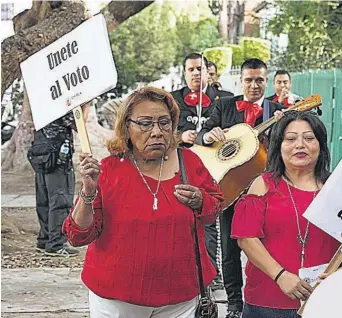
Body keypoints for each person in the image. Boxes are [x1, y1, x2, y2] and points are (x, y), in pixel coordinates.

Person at [62, 87, 224, 317]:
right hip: (117, 300)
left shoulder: (189, 161)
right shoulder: (108, 170)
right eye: (146, 123)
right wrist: (89, 192)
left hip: (181, 299)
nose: (157, 132)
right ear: (127, 128)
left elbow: (214, 209)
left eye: (164, 122)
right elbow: (78, 235)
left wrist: (200, 200)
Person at [232, 111, 342, 317]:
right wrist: (280, 276)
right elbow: (246, 238)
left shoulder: (338, 187)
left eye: (309, 138)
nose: (300, 145)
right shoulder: (263, 184)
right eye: (290, 139)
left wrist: (339, 277)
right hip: (267, 301)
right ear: (278, 146)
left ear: (320, 145)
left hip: (324, 301)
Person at [196, 58, 285, 318]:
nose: (254, 85)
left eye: (259, 80)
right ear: (241, 80)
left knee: (268, 247)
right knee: (230, 249)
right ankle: (234, 304)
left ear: (267, 81)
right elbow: (203, 134)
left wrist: (278, 128)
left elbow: (288, 147)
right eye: (249, 80)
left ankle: (266, 298)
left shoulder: (276, 110)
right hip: (230, 187)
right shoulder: (224, 106)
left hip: (265, 189)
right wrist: (209, 136)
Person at [171, 52, 233, 291]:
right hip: (182, 165)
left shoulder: (225, 99)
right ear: (184, 73)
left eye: (200, 69)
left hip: (217, 167)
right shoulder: (173, 100)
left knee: (209, 218)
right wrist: (180, 137)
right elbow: (162, 132)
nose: (196, 73)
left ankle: (210, 272)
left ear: (209, 71)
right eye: (191, 70)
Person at [28, 103, 89, 256]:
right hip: (58, 159)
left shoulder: (42, 103)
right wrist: (86, 105)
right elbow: (79, 124)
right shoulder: (61, 105)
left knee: (44, 200)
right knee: (60, 201)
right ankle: (55, 244)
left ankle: (44, 239)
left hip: (41, 155)